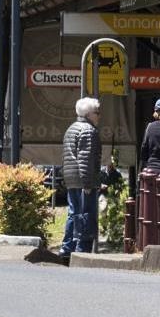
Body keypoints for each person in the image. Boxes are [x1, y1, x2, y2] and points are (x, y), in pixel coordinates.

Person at [54, 97, 102, 262]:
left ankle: (67, 247)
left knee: (73, 213)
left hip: (71, 178)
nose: (99, 116)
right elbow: (86, 159)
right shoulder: (89, 131)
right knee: (86, 213)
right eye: (97, 113)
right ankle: (82, 249)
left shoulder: (71, 128)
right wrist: (88, 183)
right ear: (89, 114)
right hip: (83, 180)